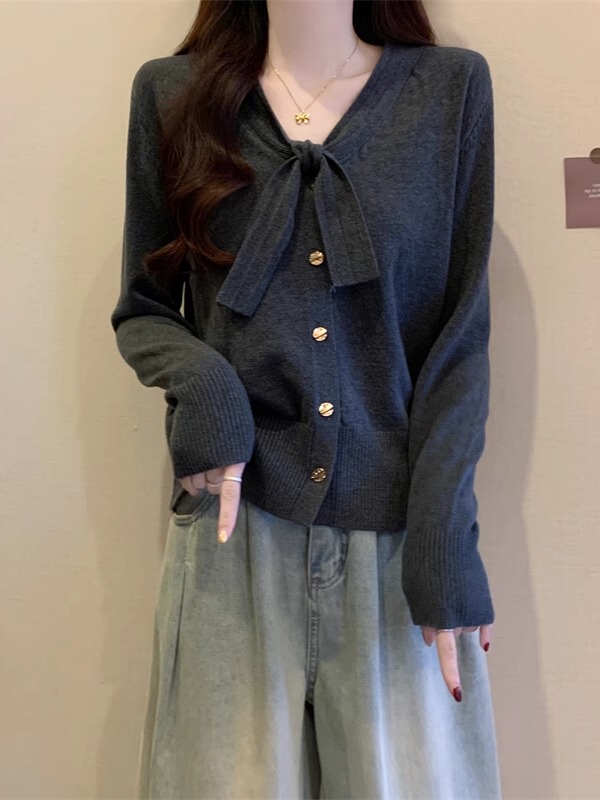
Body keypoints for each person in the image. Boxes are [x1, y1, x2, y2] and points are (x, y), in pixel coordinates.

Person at [110, 0, 503, 797]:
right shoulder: (171, 94)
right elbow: (144, 310)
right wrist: (206, 386)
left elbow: (458, 342)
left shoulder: (449, 92)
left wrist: (445, 535)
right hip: (232, 545)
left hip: (400, 551)